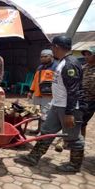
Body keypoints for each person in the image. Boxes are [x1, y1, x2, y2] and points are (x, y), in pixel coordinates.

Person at [15, 35, 85, 172]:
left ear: (57, 47)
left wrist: (70, 113)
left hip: (68, 108)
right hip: (58, 105)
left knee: (73, 137)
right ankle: (34, 157)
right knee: (47, 131)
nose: (52, 49)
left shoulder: (70, 64)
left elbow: (73, 91)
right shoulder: (63, 62)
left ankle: (74, 165)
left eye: (52, 47)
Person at [27, 49, 58, 134]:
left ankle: (43, 132)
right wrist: (31, 91)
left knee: (46, 113)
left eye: (45, 56)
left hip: (48, 95)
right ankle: (39, 129)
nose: (43, 58)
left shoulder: (56, 67)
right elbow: (35, 80)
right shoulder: (40, 67)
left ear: (51, 56)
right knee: (39, 113)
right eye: (41, 57)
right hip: (38, 93)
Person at [80, 47, 95, 138]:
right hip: (83, 100)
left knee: (81, 121)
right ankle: (80, 141)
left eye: (89, 54)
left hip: (92, 100)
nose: (86, 56)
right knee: (81, 122)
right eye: (85, 54)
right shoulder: (83, 68)